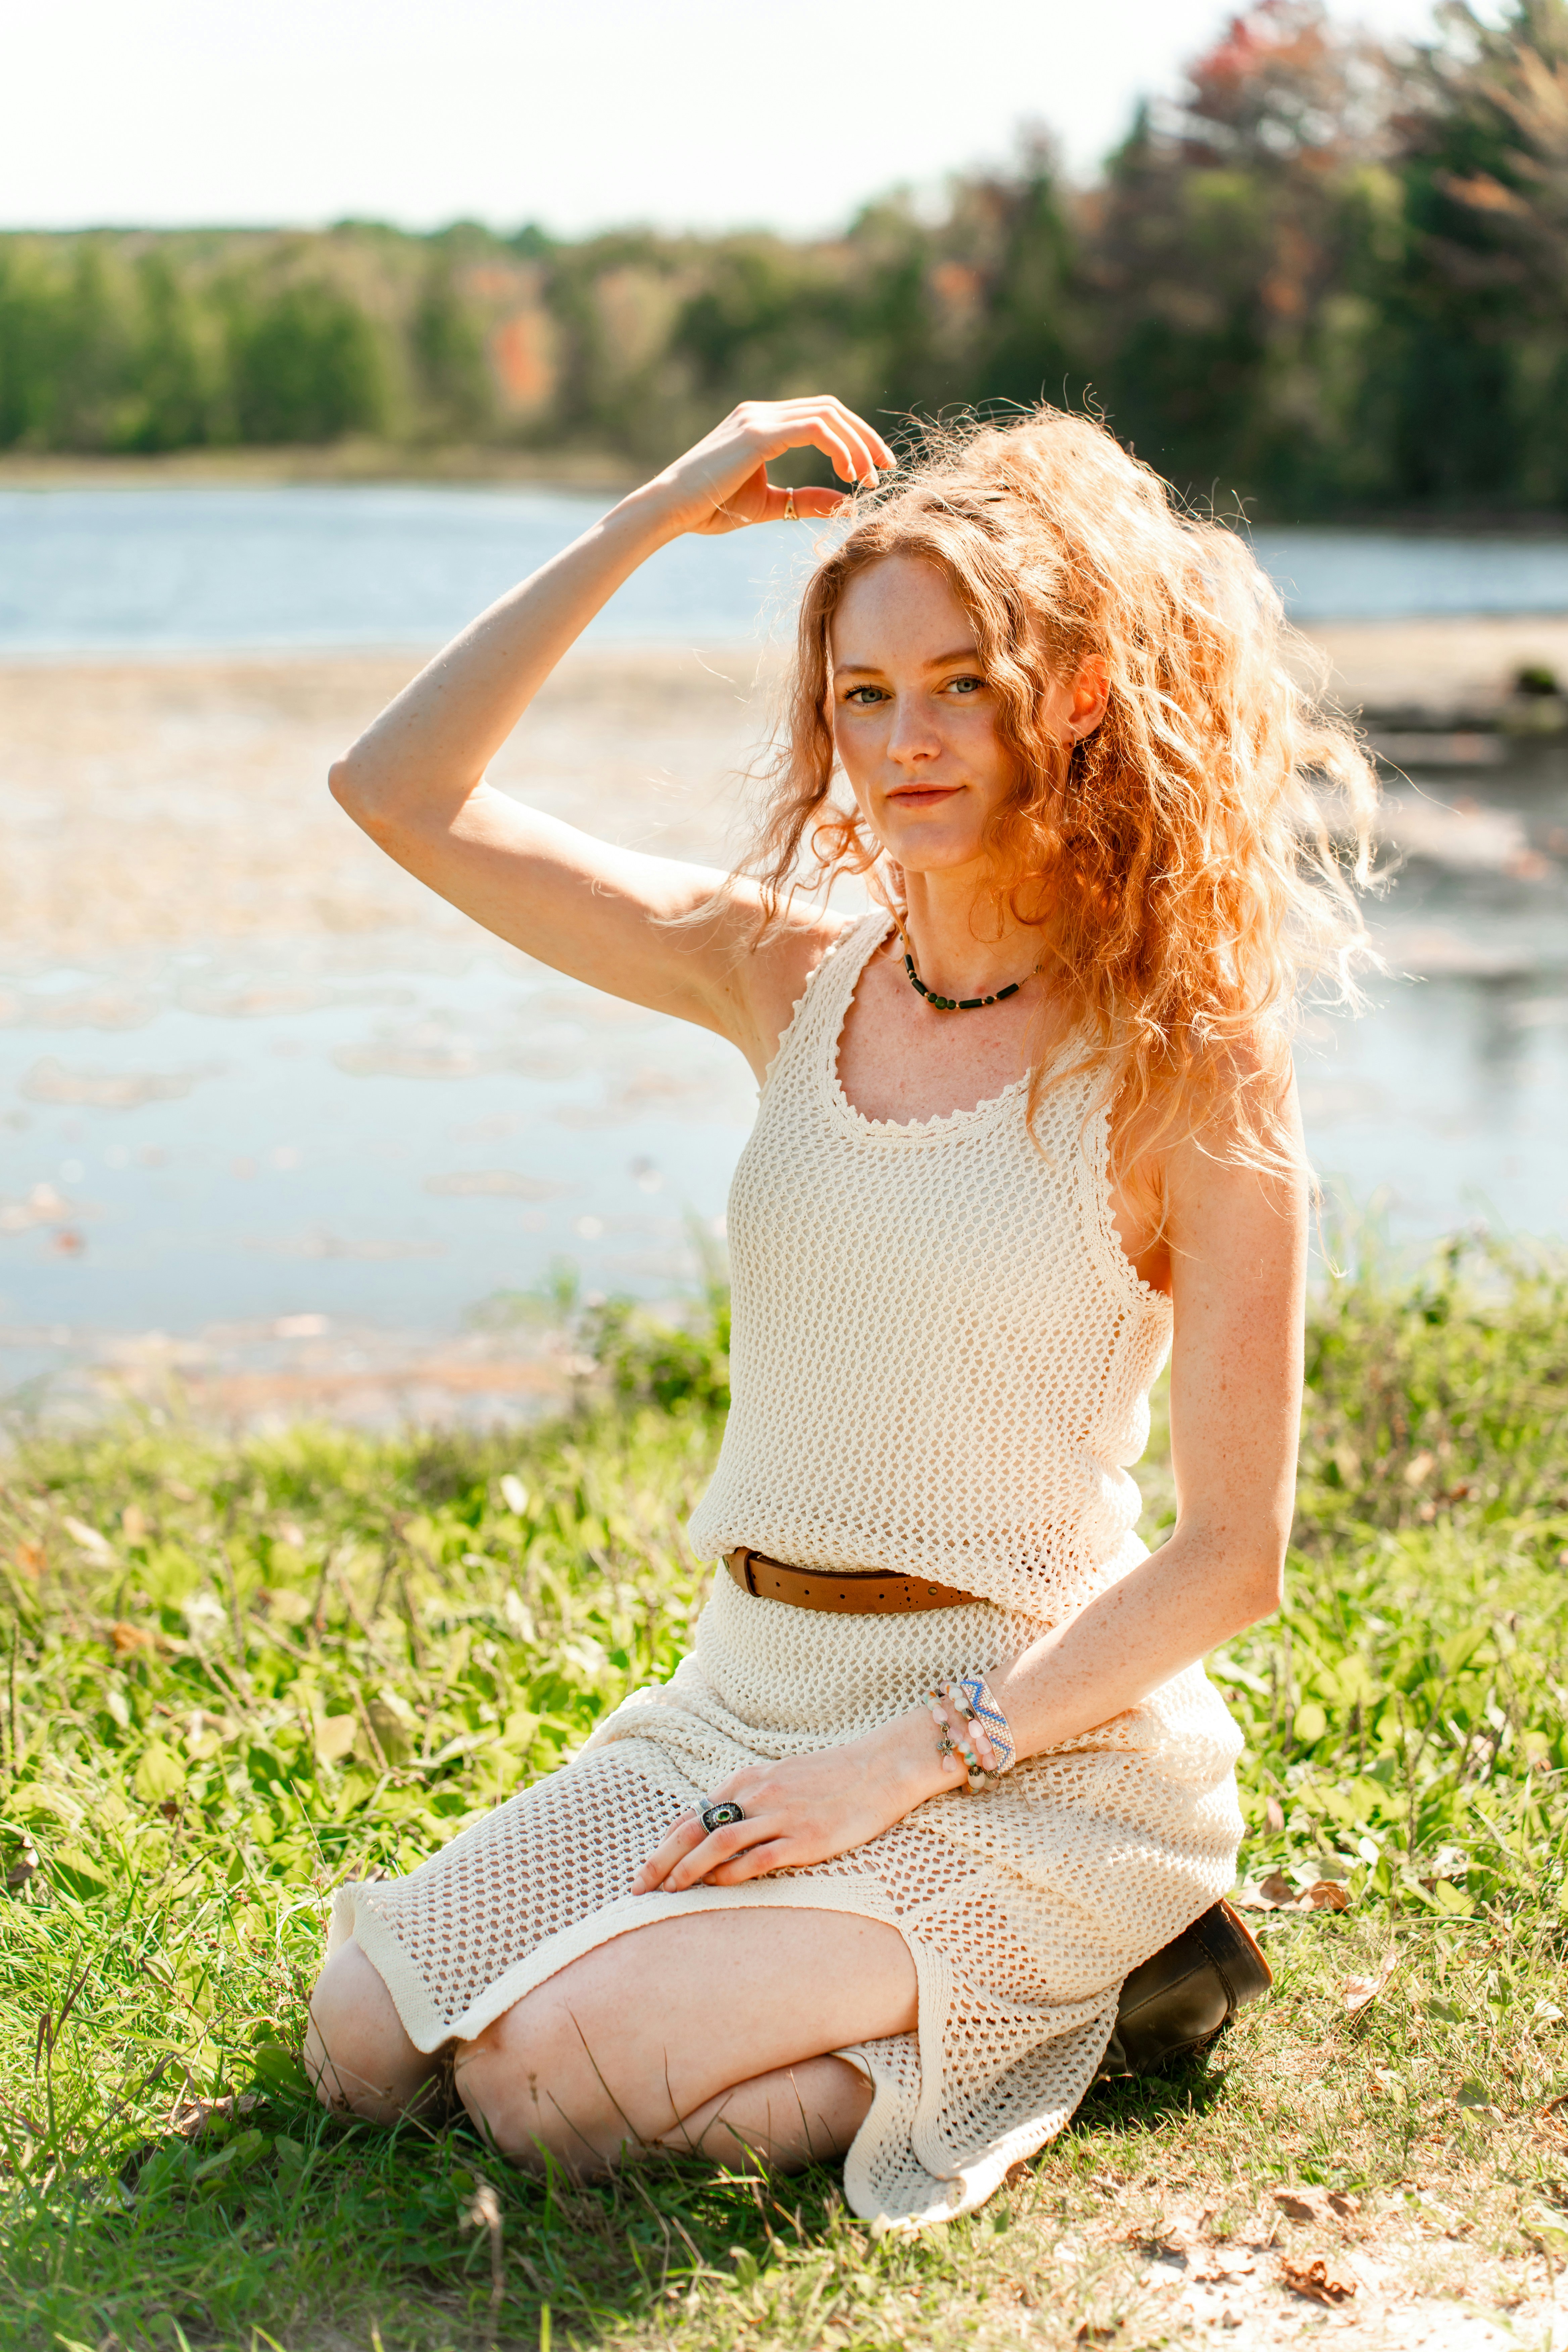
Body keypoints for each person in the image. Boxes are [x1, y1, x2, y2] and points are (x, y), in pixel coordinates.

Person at [304, 396, 1376, 2227]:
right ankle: (940, 1991)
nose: (908, 741)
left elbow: (1232, 1558)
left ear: (1080, 699)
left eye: (961, 685)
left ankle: (1109, 1971)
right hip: (743, 1700)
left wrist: (910, 1763)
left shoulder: (1189, 1065)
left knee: (552, 2085)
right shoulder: (782, 972)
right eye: (864, 697)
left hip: (1027, 1745)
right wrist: (655, 508)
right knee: (367, 2046)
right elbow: (397, 790)